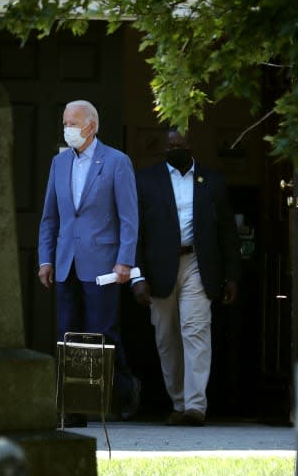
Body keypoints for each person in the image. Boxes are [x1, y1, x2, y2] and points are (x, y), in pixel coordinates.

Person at [38, 100, 141, 422]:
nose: (67, 128)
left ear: (91, 126)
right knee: (67, 335)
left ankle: (125, 389)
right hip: (66, 260)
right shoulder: (59, 163)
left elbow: (129, 217)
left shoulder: (116, 162)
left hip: (103, 263)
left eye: (73, 123)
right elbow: (49, 217)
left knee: (102, 334)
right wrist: (45, 259)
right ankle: (74, 407)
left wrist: (125, 260)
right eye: (65, 122)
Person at [131, 128, 241, 427]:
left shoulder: (213, 181)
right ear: (163, 149)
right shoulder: (145, 180)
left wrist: (231, 275)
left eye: (180, 144)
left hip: (197, 263)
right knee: (166, 338)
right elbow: (135, 233)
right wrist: (136, 276)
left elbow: (227, 233)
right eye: (169, 145)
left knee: (196, 332)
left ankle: (195, 406)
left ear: (191, 146)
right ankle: (178, 402)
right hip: (158, 269)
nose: (174, 148)